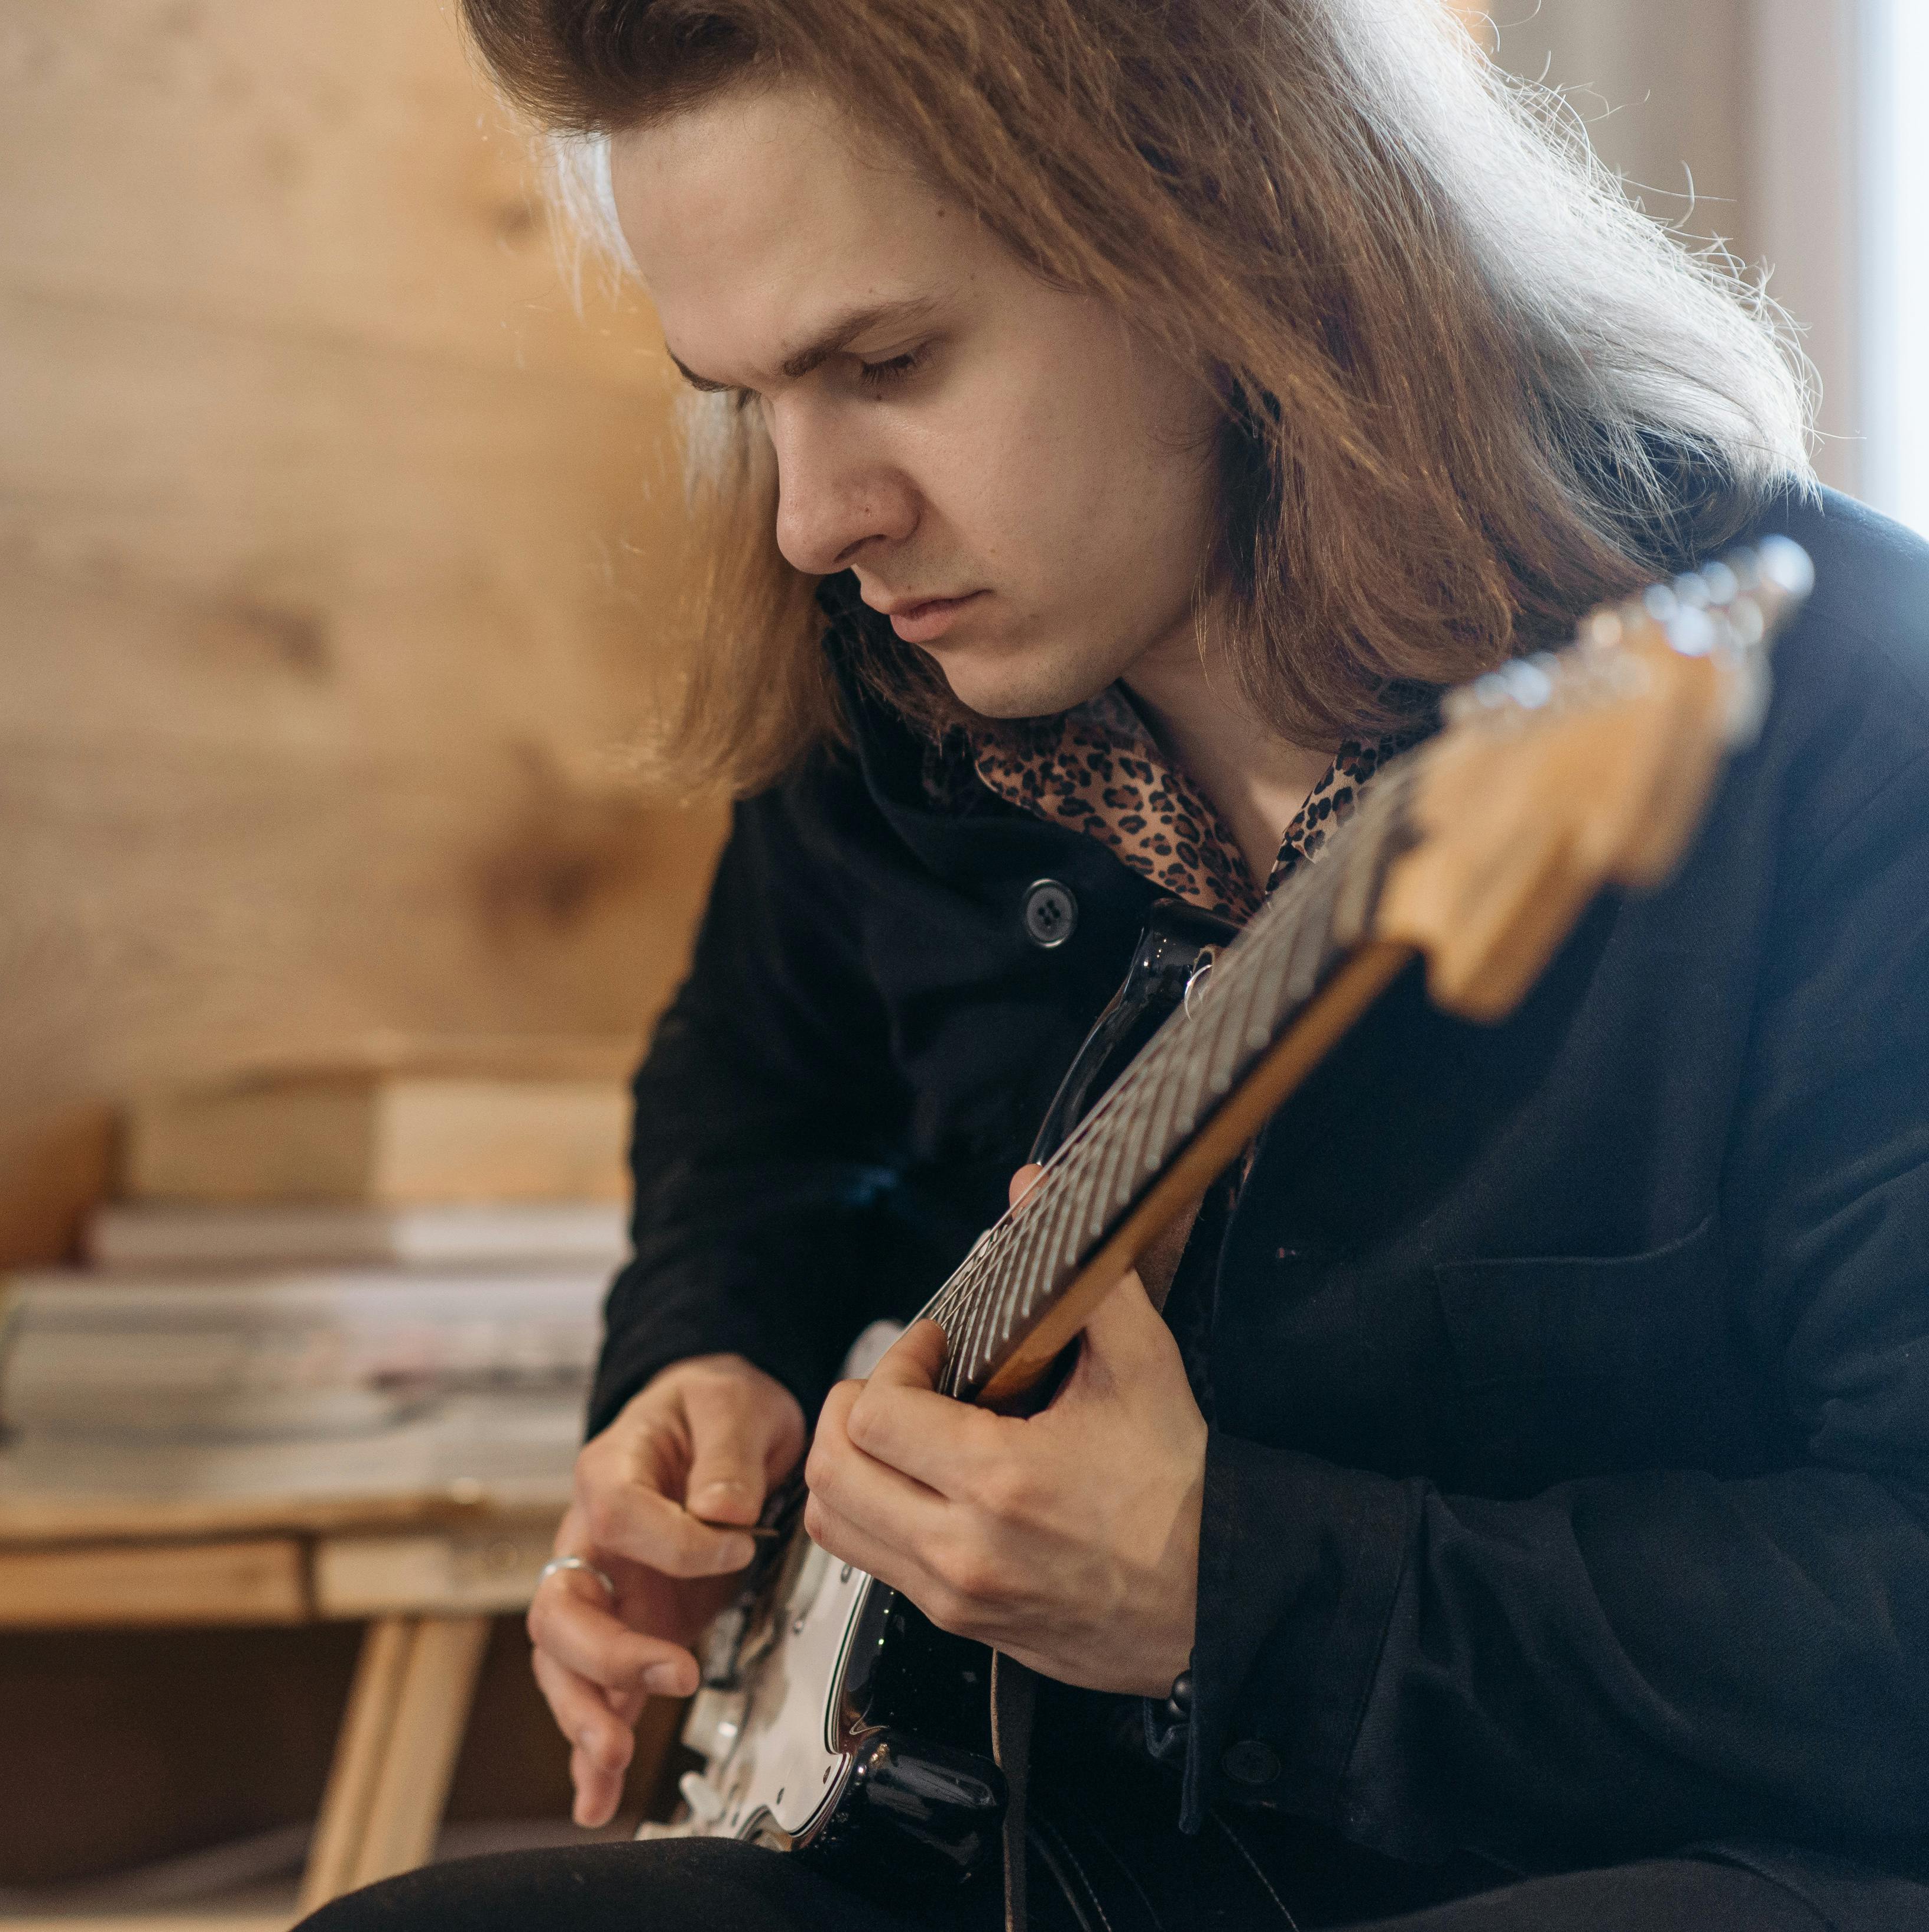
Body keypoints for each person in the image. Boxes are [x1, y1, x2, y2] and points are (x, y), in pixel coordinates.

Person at [296, 1, 1929, 1928]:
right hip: (1003, 1856)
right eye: (746, 398)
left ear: (1228, 227)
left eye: (887, 360)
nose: (818, 518)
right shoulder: (895, 724)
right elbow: (754, 1095)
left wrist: (1229, 1586)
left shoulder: (1846, 725)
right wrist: (702, 1359)